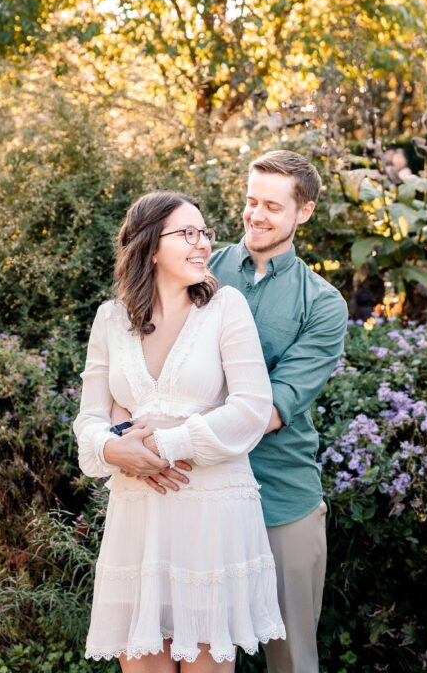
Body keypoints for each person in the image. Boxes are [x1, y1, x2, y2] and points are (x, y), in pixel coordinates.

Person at [73, 191, 286, 671]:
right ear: (150, 246)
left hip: (211, 516)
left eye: (204, 233)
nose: (202, 244)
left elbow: (252, 409)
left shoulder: (225, 308)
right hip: (138, 520)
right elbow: (89, 417)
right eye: (186, 233)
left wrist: (167, 444)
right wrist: (111, 448)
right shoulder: (110, 319)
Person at [210, 150, 349, 673]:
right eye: (250, 201)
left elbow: (269, 411)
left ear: (304, 212)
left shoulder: (323, 303)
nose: (256, 215)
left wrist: (179, 435)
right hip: (200, 492)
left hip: (282, 498)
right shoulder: (205, 268)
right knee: (200, 647)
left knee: (290, 657)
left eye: (272, 205)